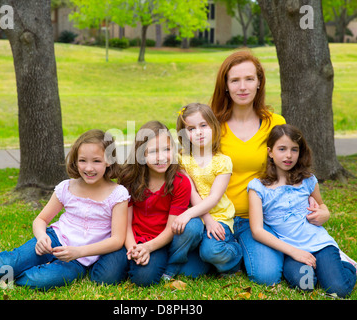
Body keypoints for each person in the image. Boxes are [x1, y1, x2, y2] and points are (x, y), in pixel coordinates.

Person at [0, 130, 130, 290]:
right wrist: (42, 237)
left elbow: (117, 240)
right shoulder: (67, 187)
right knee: (10, 261)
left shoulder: (117, 194)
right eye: (82, 161)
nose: (89, 168)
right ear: (75, 161)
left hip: (78, 259)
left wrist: (78, 252)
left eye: (96, 161)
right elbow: (41, 220)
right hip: (52, 240)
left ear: (109, 161)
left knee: (41, 281)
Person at [210, 50, 329, 285]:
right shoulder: (212, 125)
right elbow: (193, 171)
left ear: (259, 83)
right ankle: (230, 254)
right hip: (218, 219)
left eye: (249, 79)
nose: (242, 87)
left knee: (266, 276)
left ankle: (245, 252)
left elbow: (294, 173)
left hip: (262, 221)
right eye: (235, 80)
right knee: (197, 266)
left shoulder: (276, 123)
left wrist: (323, 209)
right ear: (225, 85)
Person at [247, 124, 357, 297]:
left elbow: (321, 206)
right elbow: (257, 230)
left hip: (319, 243)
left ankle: (347, 266)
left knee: (338, 289)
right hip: (291, 249)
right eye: (282, 149)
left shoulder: (307, 180)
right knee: (305, 284)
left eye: (294, 149)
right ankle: (323, 270)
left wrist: (325, 213)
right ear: (270, 152)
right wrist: (294, 252)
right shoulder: (258, 187)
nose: (288, 155)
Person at [90, 121, 194, 286]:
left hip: (157, 242)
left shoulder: (180, 182)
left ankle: (148, 264)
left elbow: (170, 229)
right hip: (128, 238)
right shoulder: (129, 178)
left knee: (143, 280)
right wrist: (132, 248)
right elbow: (126, 222)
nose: (161, 157)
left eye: (167, 149)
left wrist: (148, 248)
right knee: (105, 278)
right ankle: (124, 262)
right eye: (153, 151)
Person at [164, 103, 242, 278]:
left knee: (211, 251)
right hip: (195, 216)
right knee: (189, 272)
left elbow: (214, 198)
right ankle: (179, 265)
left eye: (203, 125)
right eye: (191, 129)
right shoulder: (183, 160)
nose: (198, 132)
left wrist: (207, 219)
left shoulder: (222, 161)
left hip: (219, 217)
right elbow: (191, 192)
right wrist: (203, 219)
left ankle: (235, 257)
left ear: (213, 126)